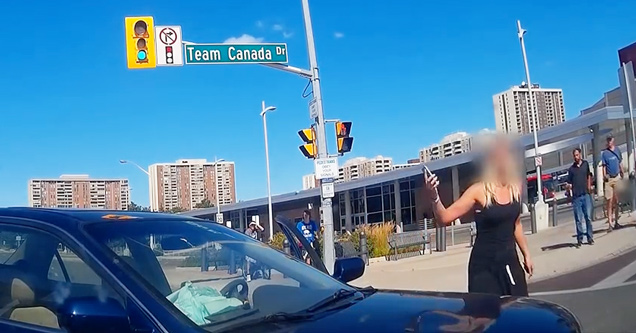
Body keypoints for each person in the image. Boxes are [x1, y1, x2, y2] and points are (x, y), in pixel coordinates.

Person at [424, 135, 533, 296]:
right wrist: (434, 196)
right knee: (485, 317)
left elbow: (516, 224)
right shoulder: (479, 191)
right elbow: (444, 218)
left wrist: (527, 255)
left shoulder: (515, 187)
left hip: (510, 262)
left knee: (518, 313)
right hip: (484, 268)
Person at [565, 148, 594, 247]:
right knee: (578, 219)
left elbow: (589, 175)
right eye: (574, 155)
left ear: (580, 154)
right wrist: (568, 188)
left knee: (588, 217)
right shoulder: (571, 169)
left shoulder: (585, 164)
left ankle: (590, 237)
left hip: (585, 194)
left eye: (577, 155)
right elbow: (568, 183)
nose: (576, 157)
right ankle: (580, 239)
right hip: (577, 197)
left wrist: (589, 186)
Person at [601, 135, 624, 231]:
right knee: (609, 201)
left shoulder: (617, 150)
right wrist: (604, 176)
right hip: (609, 179)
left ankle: (617, 221)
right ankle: (610, 223)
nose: (609, 141)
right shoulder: (605, 153)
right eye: (608, 140)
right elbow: (604, 166)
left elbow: (620, 162)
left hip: (617, 177)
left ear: (613, 140)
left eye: (610, 140)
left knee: (617, 200)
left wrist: (622, 172)